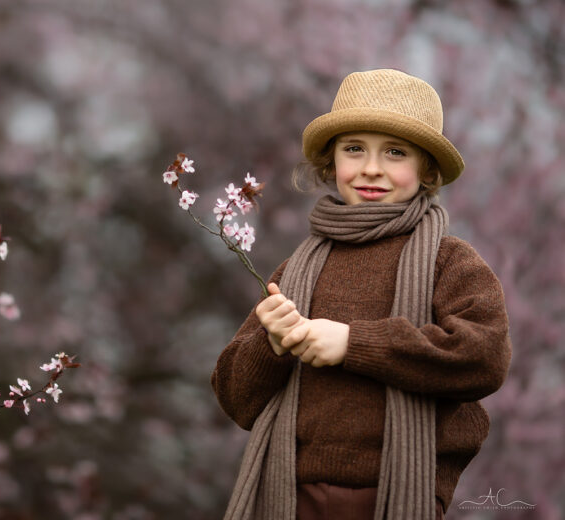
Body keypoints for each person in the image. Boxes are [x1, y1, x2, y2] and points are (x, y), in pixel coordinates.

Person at [211, 69, 512, 520]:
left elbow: (484, 357)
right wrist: (271, 346)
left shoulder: (449, 262)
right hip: (289, 495)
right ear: (332, 163)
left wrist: (355, 344)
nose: (372, 168)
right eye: (355, 149)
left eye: (395, 152)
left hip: (400, 493)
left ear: (427, 168)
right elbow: (236, 398)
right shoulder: (297, 269)